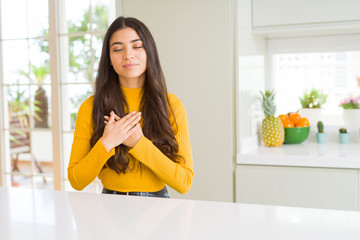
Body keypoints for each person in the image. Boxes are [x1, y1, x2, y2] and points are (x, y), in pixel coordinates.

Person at [67, 16, 193, 198]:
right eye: (118, 49)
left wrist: (138, 143)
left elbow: (184, 182)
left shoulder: (171, 105)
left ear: (149, 51)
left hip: (158, 209)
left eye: (137, 46)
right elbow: (76, 181)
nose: (128, 55)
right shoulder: (90, 107)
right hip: (109, 207)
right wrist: (107, 142)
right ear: (109, 58)